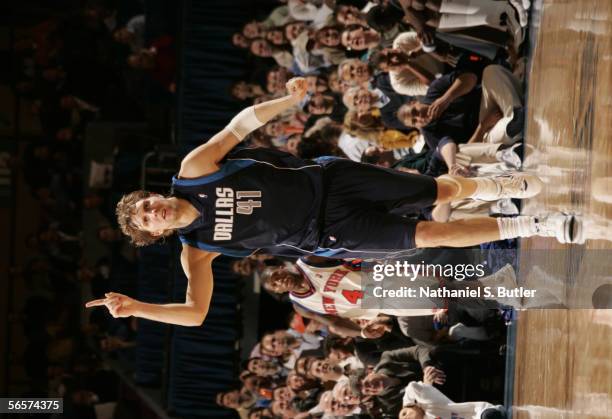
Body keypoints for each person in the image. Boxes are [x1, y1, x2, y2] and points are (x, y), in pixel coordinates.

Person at [85, 77, 580, 328]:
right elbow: (195, 314)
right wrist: (138, 308)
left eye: (147, 203)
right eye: (146, 220)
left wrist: (287, 100)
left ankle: (498, 188)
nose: (153, 211)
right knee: (428, 233)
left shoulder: (193, 172)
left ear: (156, 196)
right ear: (156, 235)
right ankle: (537, 225)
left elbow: (239, 126)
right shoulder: (196, 249)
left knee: (439, 192)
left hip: (333, 182)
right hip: (325, 234)